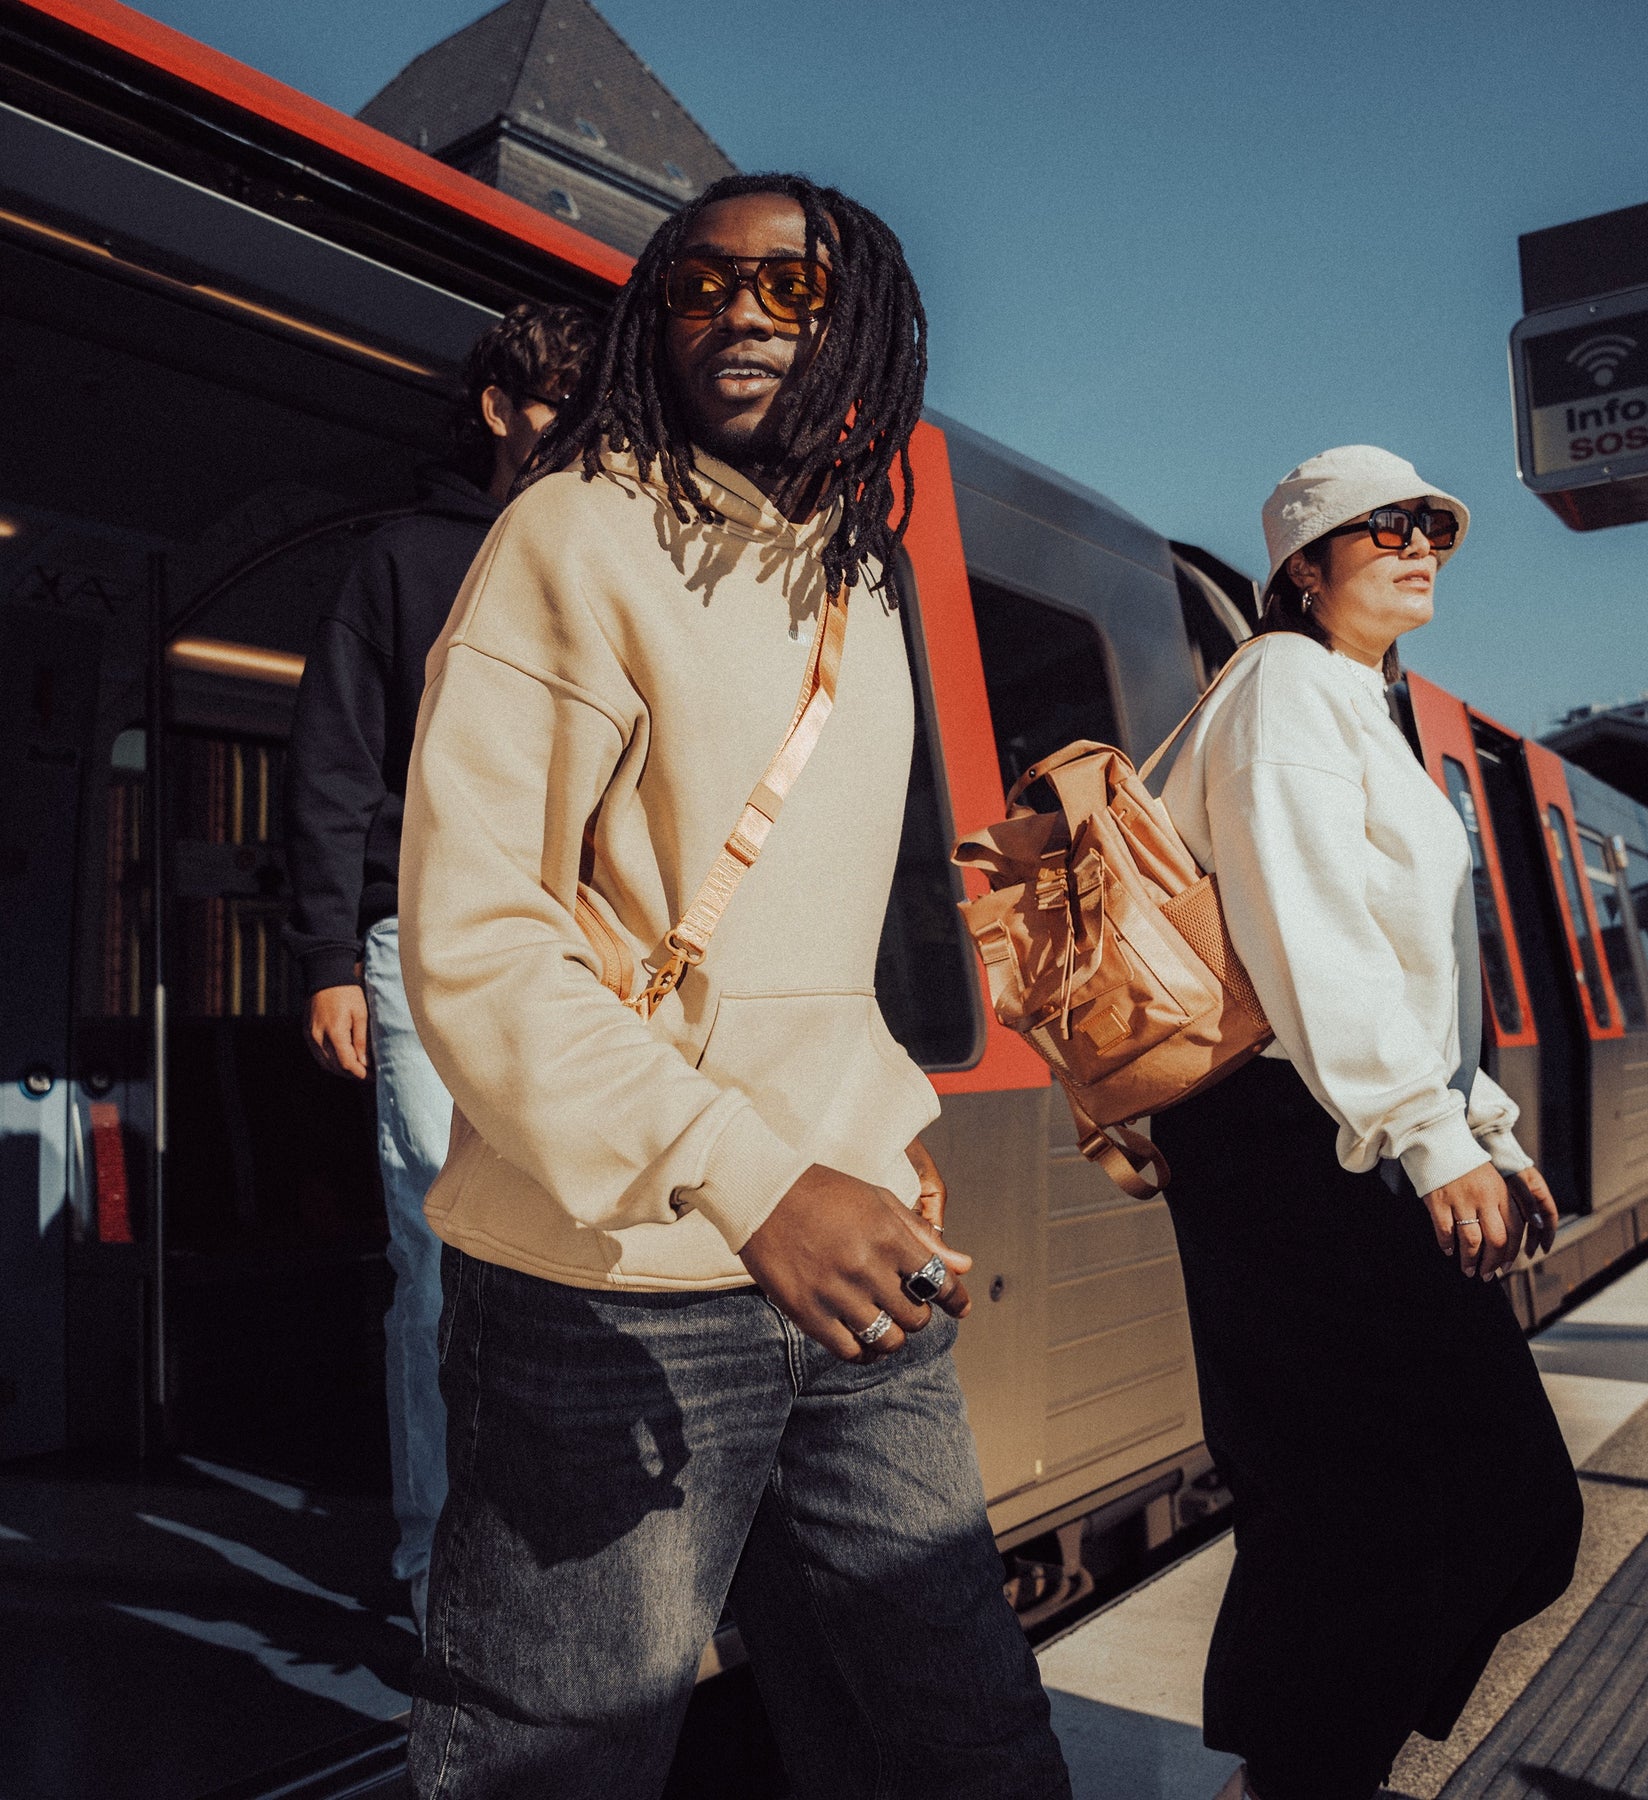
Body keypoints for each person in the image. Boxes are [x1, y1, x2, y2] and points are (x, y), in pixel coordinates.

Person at [398, 173, 1071, 1799]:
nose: (742, 318)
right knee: (550, 1768)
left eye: (792, 289)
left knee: (963, 1749)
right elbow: (477, 935)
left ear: (864, 327)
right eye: (701, 288)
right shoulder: (571, 536)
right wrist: (756, 1172)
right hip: (607, 1286)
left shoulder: (851, 579)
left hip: (850, 1274)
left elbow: (836, 938)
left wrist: (880, 1120)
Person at [1157, 446, 1584, 1800]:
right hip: (1294, 1142)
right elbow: (1308, 929)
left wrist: (1488, 1126)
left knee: (1404, 1507)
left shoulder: (1356, 701)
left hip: (1331, 1134)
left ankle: (1296, 1774)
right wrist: (1427, 1131)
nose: (1417, 546)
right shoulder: (1285, 686)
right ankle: (1301, 1778)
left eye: (1432, 531)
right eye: (1381, 528)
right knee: (1445, 1502)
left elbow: (1410, 963)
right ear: (1302, 566)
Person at [283, 302, 601, 1630]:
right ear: (497, 409)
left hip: (578, 955)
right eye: (557, 415)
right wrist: (327, 957)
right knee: (439, 1255)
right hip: (415, 948)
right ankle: (437, 1575)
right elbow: (335, 763)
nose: (582, 444)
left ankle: (550, 1551)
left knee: (571, 1245)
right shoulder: (402, 560)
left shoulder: (599, 564)